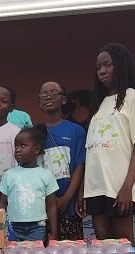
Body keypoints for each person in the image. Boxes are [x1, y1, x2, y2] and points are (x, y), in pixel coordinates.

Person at [82, 43, 135, 241]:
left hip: (119, 184)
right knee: (103, 241)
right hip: (95, 186)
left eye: (108, 65)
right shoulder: (98, 103)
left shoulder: (134, 98)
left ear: (121, 65)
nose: (102, 71)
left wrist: (127, 186)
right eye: (98, 67)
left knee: (123, 243)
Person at [36, 81, 87, 240]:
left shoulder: (76, 130)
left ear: (63, 100)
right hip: (41, 207)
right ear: (39, 102)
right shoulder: (35, 133)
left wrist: (66, 198)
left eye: (54, 92)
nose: (48, 96)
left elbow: (79, 166)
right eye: (44, 93)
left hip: (69, 205)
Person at [0, 127, 59, 242]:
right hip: (13, 227)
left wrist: (54, 233)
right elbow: (2, 204)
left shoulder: (46, 175)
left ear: (36, 149)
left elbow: (51, 206)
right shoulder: (9, 175)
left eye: (22, 146)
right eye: (16, 146)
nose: (17, 150)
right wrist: (1, 229)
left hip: (37, 227)